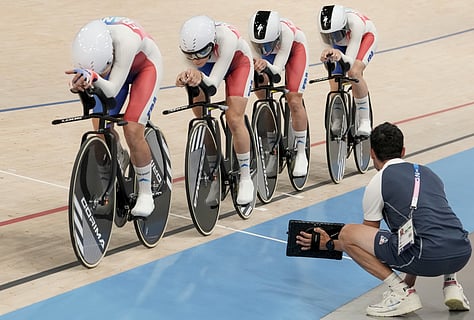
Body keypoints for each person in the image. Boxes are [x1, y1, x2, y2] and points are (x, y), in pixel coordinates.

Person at [296, 122, 472, 317]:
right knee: (433, 223)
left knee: (348, 233)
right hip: (461, 253)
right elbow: (419, 229)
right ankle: (451, 285)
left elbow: (364, 242)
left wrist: (329, 244)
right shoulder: (429, 173)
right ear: (403, 150)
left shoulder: (378, 181)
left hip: (426, 255)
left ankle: (400, 293)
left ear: (372, 153)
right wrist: (409, 282)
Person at [66, 17, 163, 218]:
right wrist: (78, 86)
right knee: (100, 128)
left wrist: (95, 78)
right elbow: (95, 84)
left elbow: (111, 90)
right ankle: (119, 154)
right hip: (113, 73)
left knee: (132, 129)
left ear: (110, 56)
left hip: (145, 68)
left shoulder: (125, 41)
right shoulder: (88, 46)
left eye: (104, 69)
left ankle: (146, 193)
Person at [175, 15, 255, 205]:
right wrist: (186, 77)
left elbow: (212, 86)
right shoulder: (193, 51)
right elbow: (195, 73)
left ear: (211, 44)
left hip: (237, 64)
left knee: (234, 118)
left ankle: (246, 177)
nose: (195, 59)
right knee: (202, 118)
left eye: (201, 52)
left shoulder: (227, 39)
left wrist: (198, 76)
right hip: (209, 67)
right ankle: (214, 172)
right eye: (190, 55)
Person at [248, 10, 309, 177]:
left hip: (294, 51)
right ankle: (272, 139)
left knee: (294, 99)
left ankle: (301, 153)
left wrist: (264, 64)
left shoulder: (287, 33)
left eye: (265, 45)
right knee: (260, 88)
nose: (261, 48)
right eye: (258, 45)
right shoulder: (257, 38)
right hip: (272, 52)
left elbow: (276, 71)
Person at [317, 4, 377, 136]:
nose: (331, 37)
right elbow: (329, 57)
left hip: (364, 38)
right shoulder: (326, 28)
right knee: (334, 76)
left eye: (335, 34)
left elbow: (349, 62)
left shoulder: (356, 24)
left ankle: (364, 120)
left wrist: (341, 56)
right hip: (342, 43)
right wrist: (328, 58)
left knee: (354, 72)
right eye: (328, 35)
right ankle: (338, 117)